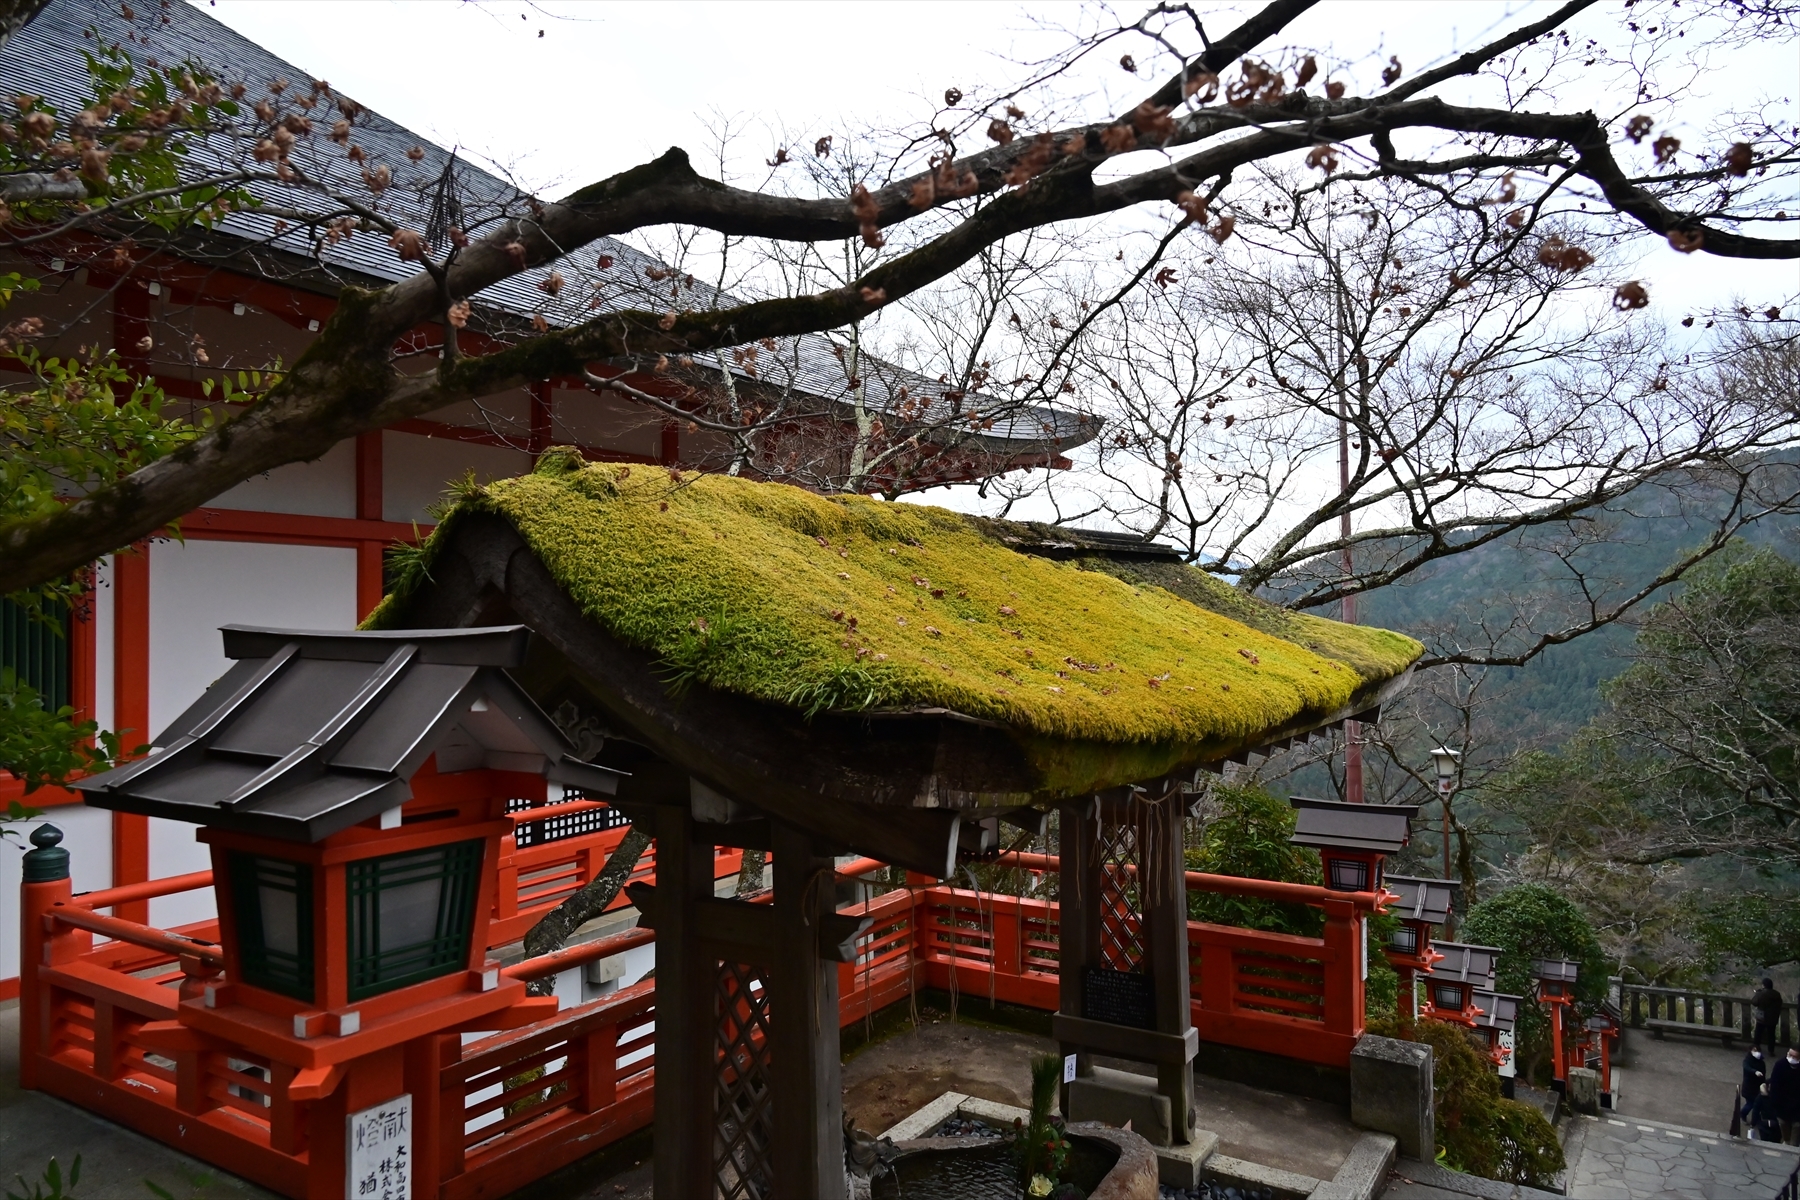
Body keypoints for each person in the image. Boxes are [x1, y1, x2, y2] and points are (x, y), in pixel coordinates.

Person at [1770, 1045, 1800, 1146]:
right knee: (1784, 1130)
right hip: (1782, 1108)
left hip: (1797, 1110)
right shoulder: (1780, 1065)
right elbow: (1774, 1086)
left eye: (1795, 1056)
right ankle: (1786, 1142)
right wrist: (1775, 1104)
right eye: (1790, 1055)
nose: (1791, 1058)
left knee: (1795, 1134)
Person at [1738, 1046, 1770, 1136]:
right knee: (1751, 1104)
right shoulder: (1747, 1061)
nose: (1757, 1052)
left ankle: (1755, 1119)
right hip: (1749, 1088)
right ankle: (1743, 1114)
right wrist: (1755, 1072)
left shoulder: (1761, 1062)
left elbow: (1763, 1074)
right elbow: (1747, 1068)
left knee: (1756, 1104)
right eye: (1754, 1050)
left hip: (1757, 1087)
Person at [1752, 978, 1784, 1056]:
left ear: (1764, 985)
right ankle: (1771, 1050)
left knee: (1758, 1033)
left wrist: (1757, 993)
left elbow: (1754, 1002)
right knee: (1771, 1034)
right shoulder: (1777, 994)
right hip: (1773, 1017)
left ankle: (1756, 1048)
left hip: (1762, 1016)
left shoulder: (1762, 993)